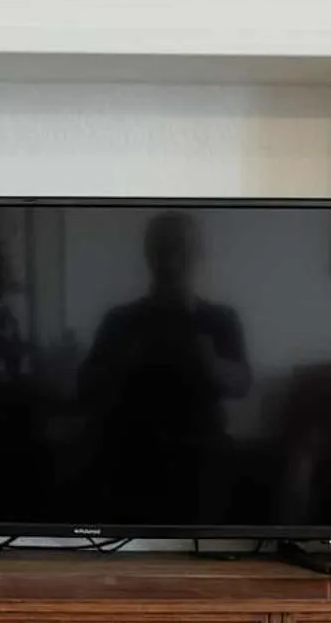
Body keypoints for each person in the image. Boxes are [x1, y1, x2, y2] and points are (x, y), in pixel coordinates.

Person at [78, 211, 250, 522]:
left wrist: (209, 362)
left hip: (199, 454)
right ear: (148, 254)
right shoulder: (118, 320)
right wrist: (125, 360)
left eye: (180, 248)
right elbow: (85, 388)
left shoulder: (221, 318)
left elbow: (242, 385)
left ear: (199, 253)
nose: (170, 261)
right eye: (161, 249)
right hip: (128, 453)